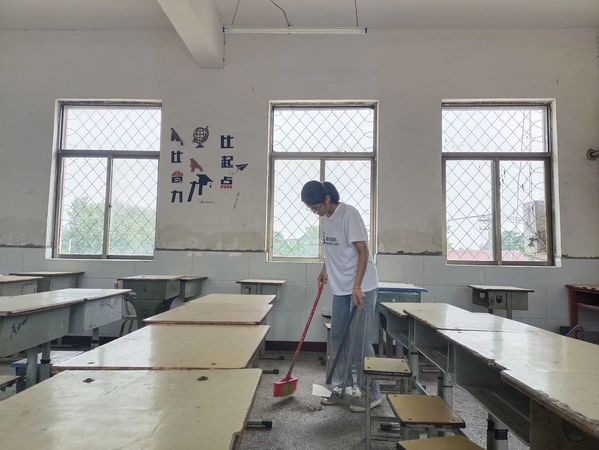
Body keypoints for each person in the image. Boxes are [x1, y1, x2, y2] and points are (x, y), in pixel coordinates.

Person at [301, 180, 380, 412]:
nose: (315, 212)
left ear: (327, 199)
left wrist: (357, 286)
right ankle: (341, 388)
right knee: (337, 337)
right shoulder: (325, 219)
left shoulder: (349, 215)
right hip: (340, 287)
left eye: (317, 207)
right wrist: (324, 270)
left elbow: (362, 251)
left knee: (359, 340)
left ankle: (370, 393)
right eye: (311, 209)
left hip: (361, 287)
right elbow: (332, 249)